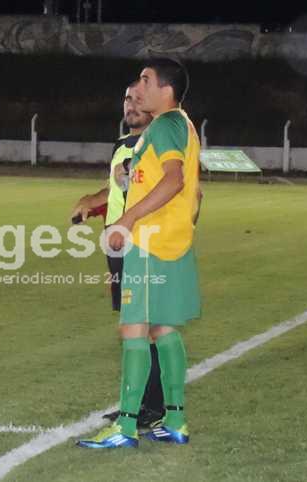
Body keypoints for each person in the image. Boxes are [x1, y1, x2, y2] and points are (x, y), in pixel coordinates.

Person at [78, 57, 202, 448]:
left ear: (166, 89)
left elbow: (174, 180)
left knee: (133, 329)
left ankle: (126, 427)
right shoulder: (181, 124)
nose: (139, 86)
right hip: (170, 241)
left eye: (146, 80)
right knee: (162, 328)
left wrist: (128, 219)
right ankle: (175, 421)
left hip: (150, 243)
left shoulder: (165, 125)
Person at [70, 82, 167, 430]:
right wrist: (91, 202)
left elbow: (177, 190)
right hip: (118, 247)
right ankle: (140, 404)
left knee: (145, 326)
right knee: (132, 326)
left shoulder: (160, 144)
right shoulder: (122, 144)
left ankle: (152, 408)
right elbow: (114, 190)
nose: (131, 104)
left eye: (139, 99)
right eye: (127, 98)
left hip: (144, 244)